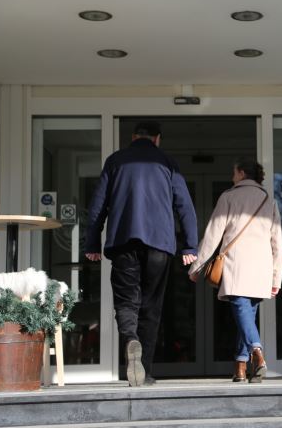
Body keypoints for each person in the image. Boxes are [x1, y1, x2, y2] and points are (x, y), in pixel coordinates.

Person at [84, 121, 198, 387]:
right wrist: (190, 246)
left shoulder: (115, 161)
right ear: (157, 139)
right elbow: (185, 205)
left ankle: (130, 339)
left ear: (133, 137)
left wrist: (92, 244)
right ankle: (144, 370)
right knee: (151, 306)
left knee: (126, 301)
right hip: (159, 244)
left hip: (124, 242)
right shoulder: (167, 163)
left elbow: (97, 206)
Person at [188, 159, 282, 383]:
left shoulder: (229, 196)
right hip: (261, 267)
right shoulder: (268, 200)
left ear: (241, 173)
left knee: (242, 311)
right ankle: (240, 367)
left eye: (234, 172)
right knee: (246, 316)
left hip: (236, 264)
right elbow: (277, 242)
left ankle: (257, 353)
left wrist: (197, 266)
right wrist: (276, 277)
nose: (232, 177)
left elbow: (213, 234)